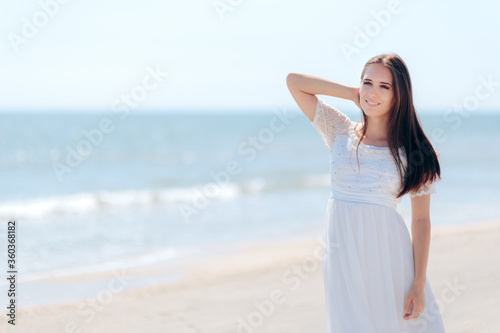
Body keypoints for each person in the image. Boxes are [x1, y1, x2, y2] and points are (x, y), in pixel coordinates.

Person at [286, 53, 446, 332]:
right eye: (368, 83)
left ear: (400, 95)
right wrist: (352, 94)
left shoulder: (415, 152)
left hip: (388, 257)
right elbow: (294, 82)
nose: (373, 92)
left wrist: (419, 282)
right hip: (342, 257)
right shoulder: (339, 131)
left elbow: (421, 221)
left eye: (385, 87)